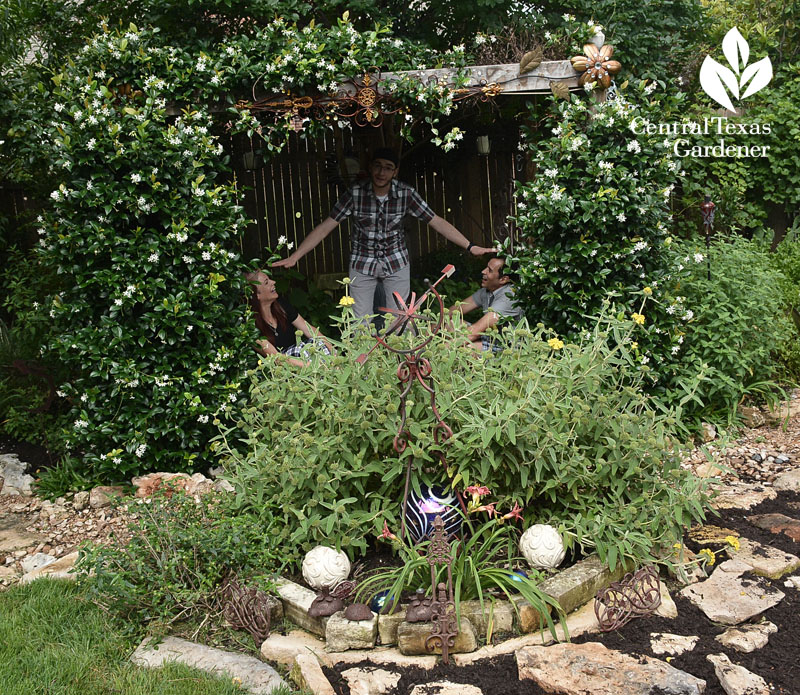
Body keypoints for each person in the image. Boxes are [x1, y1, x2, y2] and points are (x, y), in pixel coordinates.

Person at [272, 147, 494, 318]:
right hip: (362, 262)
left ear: (395, 171)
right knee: (361, 321)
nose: (381, 172)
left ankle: (401, 368)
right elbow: (326, 227)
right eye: (377, 166)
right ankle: (364, 371)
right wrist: (295, 256)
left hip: (396, 261)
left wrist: (470, 246)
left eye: (388, 167)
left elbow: (436, 221)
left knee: (400, 318)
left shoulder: (406, 194)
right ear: (370, 168)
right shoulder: (356, 194)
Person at [246, 270, 332, 367]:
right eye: (266, 282)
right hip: (285, 368)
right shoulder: (251, 326)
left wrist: (334, 353)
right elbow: (277, 358)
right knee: (303, 350)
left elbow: (309, 330)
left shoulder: (281, 305)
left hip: (303, 358)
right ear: (257, 295)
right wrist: (314, 367)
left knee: (316, 343)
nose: (273, 282)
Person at [448, 256, 523, 351]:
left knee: (466, 350)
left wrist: (441, 350)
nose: (483, 271)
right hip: (489, 337)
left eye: (490, 270)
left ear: (503, 279)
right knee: (448, 322)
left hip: (506, 347)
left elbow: (474, 332)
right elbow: (454, 310)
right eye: (486, 267)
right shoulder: (487, 291)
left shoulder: (509, 296)